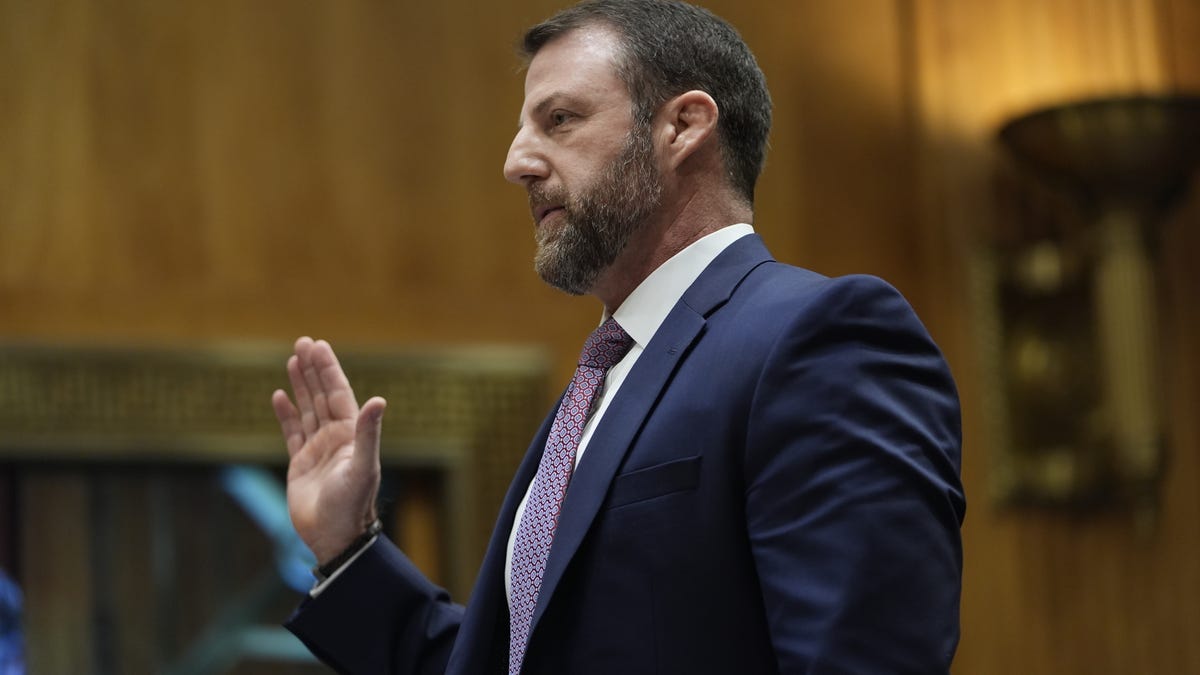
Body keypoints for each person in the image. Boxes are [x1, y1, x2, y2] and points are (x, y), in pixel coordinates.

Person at [271, 0, 966, 673]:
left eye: (560, 120)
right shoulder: (599, 382)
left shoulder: (820, 338)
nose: (517, 161)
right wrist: (348, 547)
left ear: (683, 125)